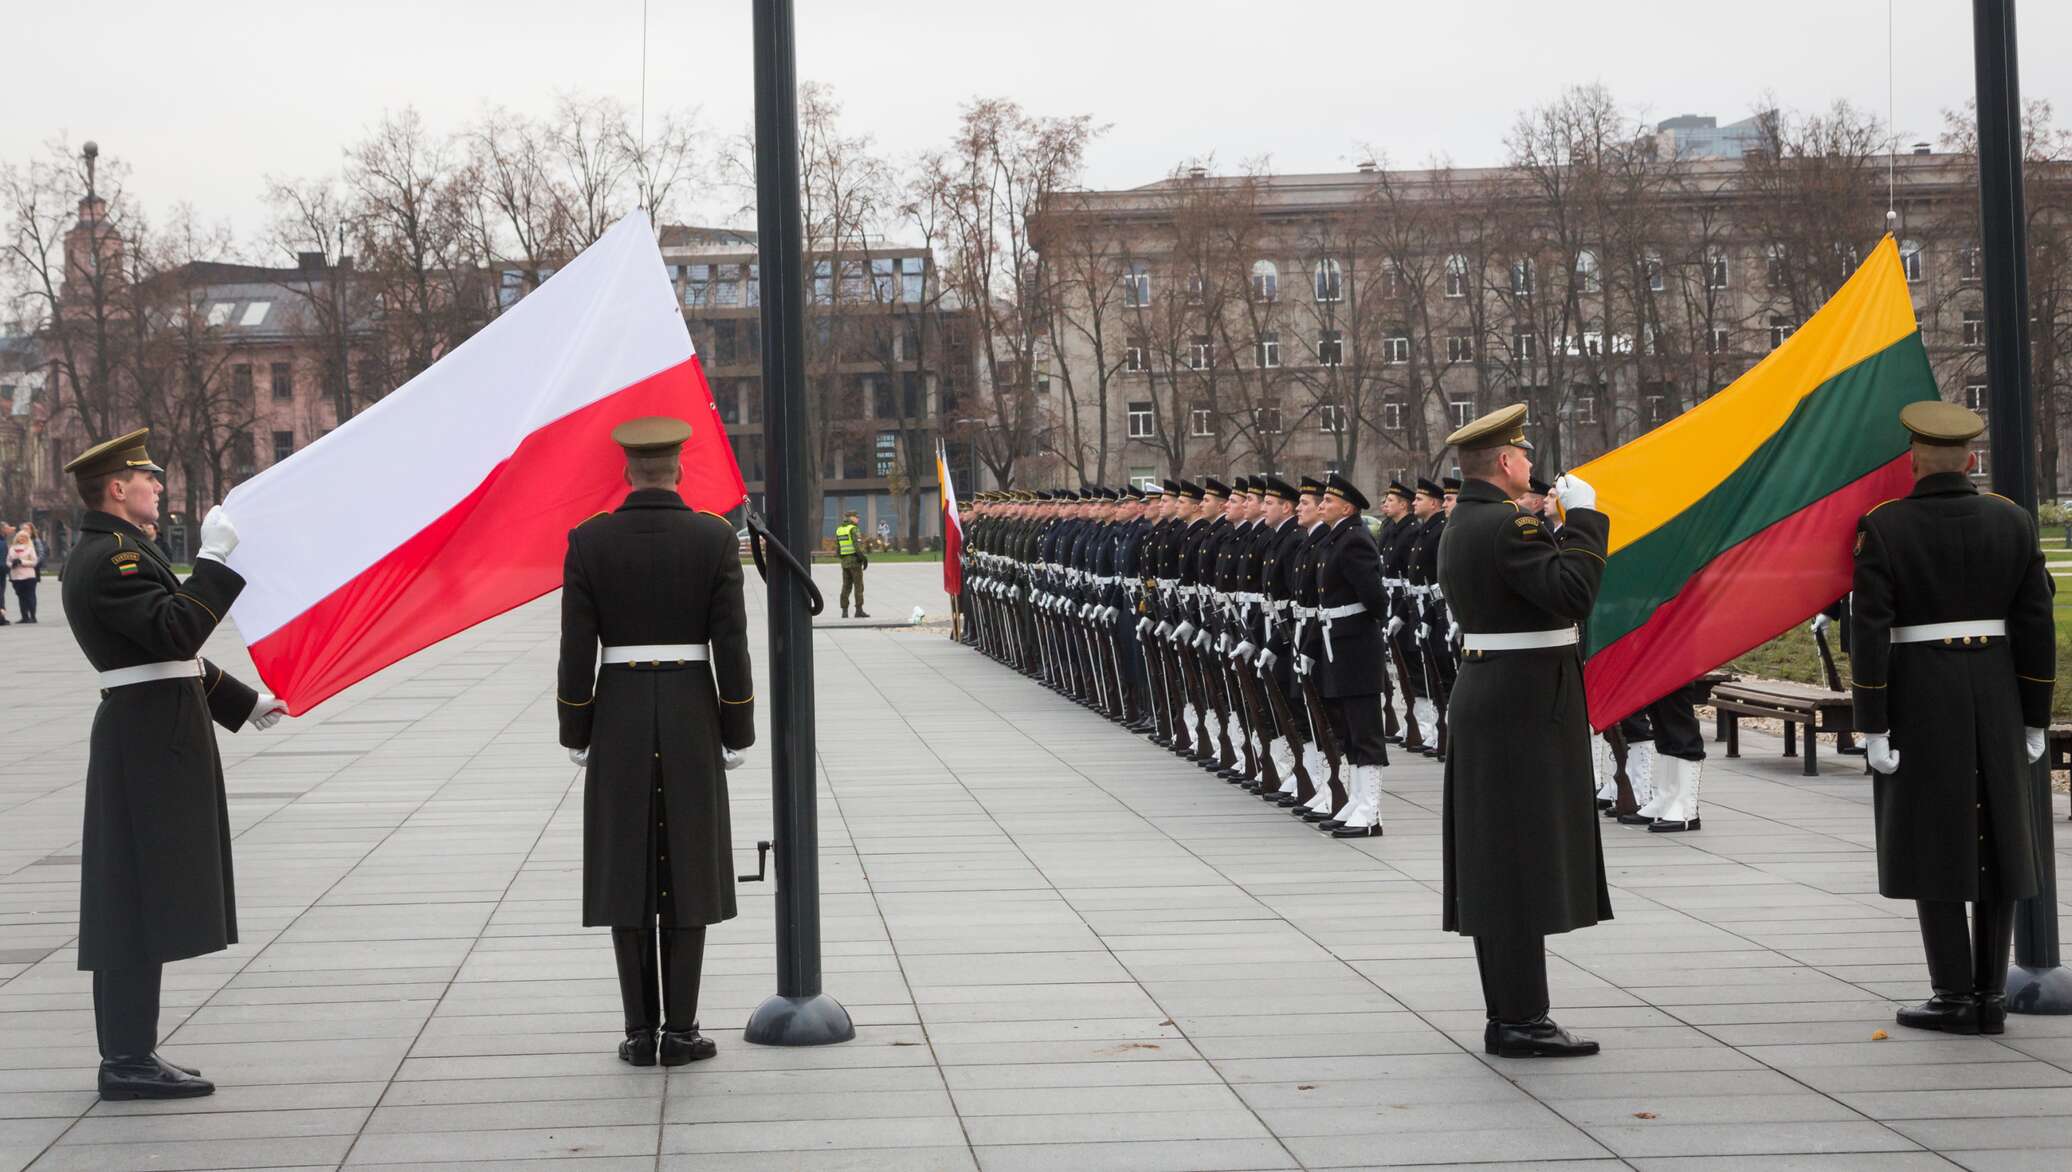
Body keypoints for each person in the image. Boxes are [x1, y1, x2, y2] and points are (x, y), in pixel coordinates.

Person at [59, 428, 287, 1100]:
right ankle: (125, 1061)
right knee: (131, 902)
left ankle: (133, 1051)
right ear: (116, 488)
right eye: (148, 478)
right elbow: (175, 631)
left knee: (141, 898)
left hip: (152, 733)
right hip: (145, 742)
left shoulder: (125, 551)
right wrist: (213, 563)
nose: (158, 487)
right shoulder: (112, 561)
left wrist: (241, 703)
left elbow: (165, 656)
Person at [1851, 400, 2052, 1037]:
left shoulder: (1884, 526)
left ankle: (1952, 992)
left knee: (1929, 835)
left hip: (1921, 695)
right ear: (1972, 461)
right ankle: (1990, 994)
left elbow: (1871, 629)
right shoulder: (2013, 521)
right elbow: (2035, 624)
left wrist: (1873, 722)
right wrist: (2035, 715)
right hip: (1995, 691)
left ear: (1913, 461)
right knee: (2000, 838)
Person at [559, 417, 756, 1067]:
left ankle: (639, 1033)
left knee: (626, 870)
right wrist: (737, 727)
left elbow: (575, 650)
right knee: (689, 867)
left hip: (617, 713)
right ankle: (682, 1031)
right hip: (689, 710)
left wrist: (576, 727)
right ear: (676, 468)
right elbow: (730, 642)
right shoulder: (713, 536)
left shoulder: (589, 541)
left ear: (627, 470)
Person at [1438, 403, 1611, 1059]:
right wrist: (1586, 520)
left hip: (1496, 695)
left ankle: (1513, 1013)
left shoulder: (1470, 521)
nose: (1533, 467)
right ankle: (1520, 1020)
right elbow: (1573, 593)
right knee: (1514, 864)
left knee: (1499, 862)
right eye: (1526, 457)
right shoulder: (1509, 525)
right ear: (1506, 463)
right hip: (1520, 705)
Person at [1310, 473, 1392, 838]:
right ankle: (1356, 800)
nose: (1321, 505)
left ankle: (1371, 809)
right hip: (1338, 643)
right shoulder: (1336, 539)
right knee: (1347, 728)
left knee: (1365, 729)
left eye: (1328, 501)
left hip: (1355, 644)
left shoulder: (1354, 541)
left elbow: (1375, 599)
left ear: (1346, 507)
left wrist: (1356, 625)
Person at [836, 509, 869, 618]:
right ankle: (858, 610)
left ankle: (844, 611)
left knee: (846, 586)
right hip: (855, 561)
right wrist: (863, 558)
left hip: (845, 562)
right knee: (858, 586)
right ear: (850, 518)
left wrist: (843, 558)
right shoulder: (853, 529)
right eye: (856, 516)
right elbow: (857, 546)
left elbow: (838, 548)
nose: (858, 518)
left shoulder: (840, 529)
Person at [6, 523, 36, 622]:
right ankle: (24, 616)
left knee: (30, 596)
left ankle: (32, 616)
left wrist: (22, 562)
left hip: (28, 576)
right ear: (17, 538)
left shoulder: (30, 548)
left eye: (24, 537)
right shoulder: (12, 548)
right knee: (21, 597)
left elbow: (34, 562)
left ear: (27, 538)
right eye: (20, 537)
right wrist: (12, 564)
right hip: (16, 576)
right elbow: (8, 561)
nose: (22, 538)